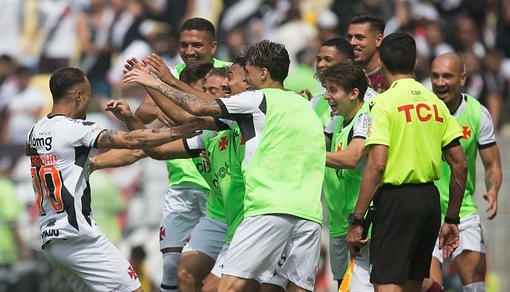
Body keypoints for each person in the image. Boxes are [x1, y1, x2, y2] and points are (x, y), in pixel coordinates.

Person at [124, 40, 326, 292]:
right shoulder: (304, 107)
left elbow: (196, 108)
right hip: (309, 213)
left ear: (262, 73)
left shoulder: (257, 100)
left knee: (227, 288)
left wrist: (156, 82)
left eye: (247, 72)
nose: (243, 80)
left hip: (269, 207)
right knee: (292, 289)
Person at [25, 67, 200, 292]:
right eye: (87, 95)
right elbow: (129, 141)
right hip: (79, 238)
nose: (88, 101)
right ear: (78, 95)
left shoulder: (34, 131)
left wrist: (130, 118)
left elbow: (129, 153)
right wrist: (180, 131)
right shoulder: (74, 129)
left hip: (52, 241)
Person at [345, 32, 468, 292]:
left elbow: (377, 165)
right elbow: (460, 164)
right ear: (414, 64)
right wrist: (452, 218)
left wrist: (357, 219)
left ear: (382, 63)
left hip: (395, 201)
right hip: (429, 202)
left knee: (388, 284)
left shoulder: (381, 104)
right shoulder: (436, 104)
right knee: (414, 285)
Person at [426, 53, 502, 292]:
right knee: (430, 287)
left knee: (476, 289)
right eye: (435, 76)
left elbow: (493, 165)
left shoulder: (478, 114)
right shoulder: (422, 110)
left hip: (463, 212)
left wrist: (492, 188)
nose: (439, 82)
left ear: (462, 78)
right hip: (426, 211)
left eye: (447, 76)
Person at [318, 60, 372, 291]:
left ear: (354, 93)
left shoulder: (365, 117)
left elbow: (351, 159)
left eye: (333, 90)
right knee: (343, 285)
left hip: (365, 224)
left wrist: (308, 156)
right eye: (326, 89)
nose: (326, 96)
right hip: (340, 222)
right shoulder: (337, 120)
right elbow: (317, 144)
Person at [347, 11, 388, 93]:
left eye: (359, 37)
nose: (352, 42)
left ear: (378, 40)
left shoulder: (391, 76)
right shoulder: (345, 76)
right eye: (350, 37)